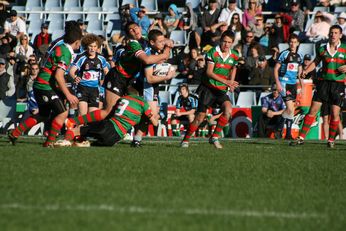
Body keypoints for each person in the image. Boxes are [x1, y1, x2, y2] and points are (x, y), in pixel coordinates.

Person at [64, 22, 172, 131]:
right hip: (117, 77)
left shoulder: (144, 40)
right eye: (131, 30)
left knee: (118, 111)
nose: (135, 30)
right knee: (108, 111)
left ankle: (96, 132)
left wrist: (168, 43)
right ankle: (74, 123)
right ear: (128, 34)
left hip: (128, 81)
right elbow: (147, 59)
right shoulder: (133, 44)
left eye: (136, 27)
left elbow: (162, 41)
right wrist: (166, 54)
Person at [8, 23, 83, 147]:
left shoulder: (61, 46)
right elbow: (59, 76)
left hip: (42, 84)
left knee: (43, 115)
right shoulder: (66, 52)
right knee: (63, 113)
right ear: (77, 41)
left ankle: (15, 133)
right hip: (44, 85)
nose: (80, 45)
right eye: (80, 42)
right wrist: (68, 95)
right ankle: (49, 142)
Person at [290, 25, 346, 148]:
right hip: (323, 84)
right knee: (313, 111)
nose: (333, 35)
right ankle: (301, 137)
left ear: (340, 35)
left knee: (335, 114)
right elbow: (315, 62)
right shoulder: (322, 48)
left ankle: (331, 140)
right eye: (331, 32)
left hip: (338, 85)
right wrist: (306, 71)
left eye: (336, 33)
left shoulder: (344, 48)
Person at [181, 30, 239, 149]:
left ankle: (214, 137)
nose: (226, 44)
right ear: (220, 40)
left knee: (228, 110)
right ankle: (185, 140)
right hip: (208, 88)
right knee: (200, 117)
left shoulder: (234, 55)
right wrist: (226, 81)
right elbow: (209, 72)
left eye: (229, 42)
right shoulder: (212, 52)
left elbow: (233, 68)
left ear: (232, 43)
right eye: (224, 41)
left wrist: (231, 83)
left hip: (221, 89)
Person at [55, 81, 158, 147]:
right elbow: (154, 123)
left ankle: (65, 141)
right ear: (138, 95)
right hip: (114, 138)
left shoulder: (122, 99)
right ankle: (136, 141)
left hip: (107, 126)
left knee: (75, 131)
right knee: (145, 119)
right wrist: (155, 116)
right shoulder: (142, 102)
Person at [131, 29, 176, 147]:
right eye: (160, 41)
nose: (163, 43)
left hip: (152, 87)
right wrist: (168, 76)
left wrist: (169, 43)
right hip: (147, 86)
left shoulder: (156, 49)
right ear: (152, 42)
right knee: (153, 117)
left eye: (163, 40)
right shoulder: (149, 54)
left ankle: (136, 139)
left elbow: (167, 45)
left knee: (149, 115)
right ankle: (132, 135)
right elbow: (149, 78)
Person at [69, 33, 110, 116]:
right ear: (86, 46)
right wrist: (75, 77)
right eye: (90, 46)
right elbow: (71, 71)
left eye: (95, 46)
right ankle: (78, 128)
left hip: (95, 90)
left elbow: (107, 72)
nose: (92, 49)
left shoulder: (101, 58)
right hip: (82, 89)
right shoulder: (81, 57)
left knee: (92, 117)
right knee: (82, 116)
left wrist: (105, 81)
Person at [274, 33, 303, 140]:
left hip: (293, 84)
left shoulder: (299, 56)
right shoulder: (284, 54)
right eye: (291, 41)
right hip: (284, 83)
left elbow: (299, 74)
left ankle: (288, 134)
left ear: (298, 43)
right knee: (290, 108)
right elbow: (276, 69)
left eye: (295, 42)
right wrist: (277, 82)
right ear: (288, 42)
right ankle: (278, 128)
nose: (292, 44)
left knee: (291, 109)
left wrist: (302, 87)